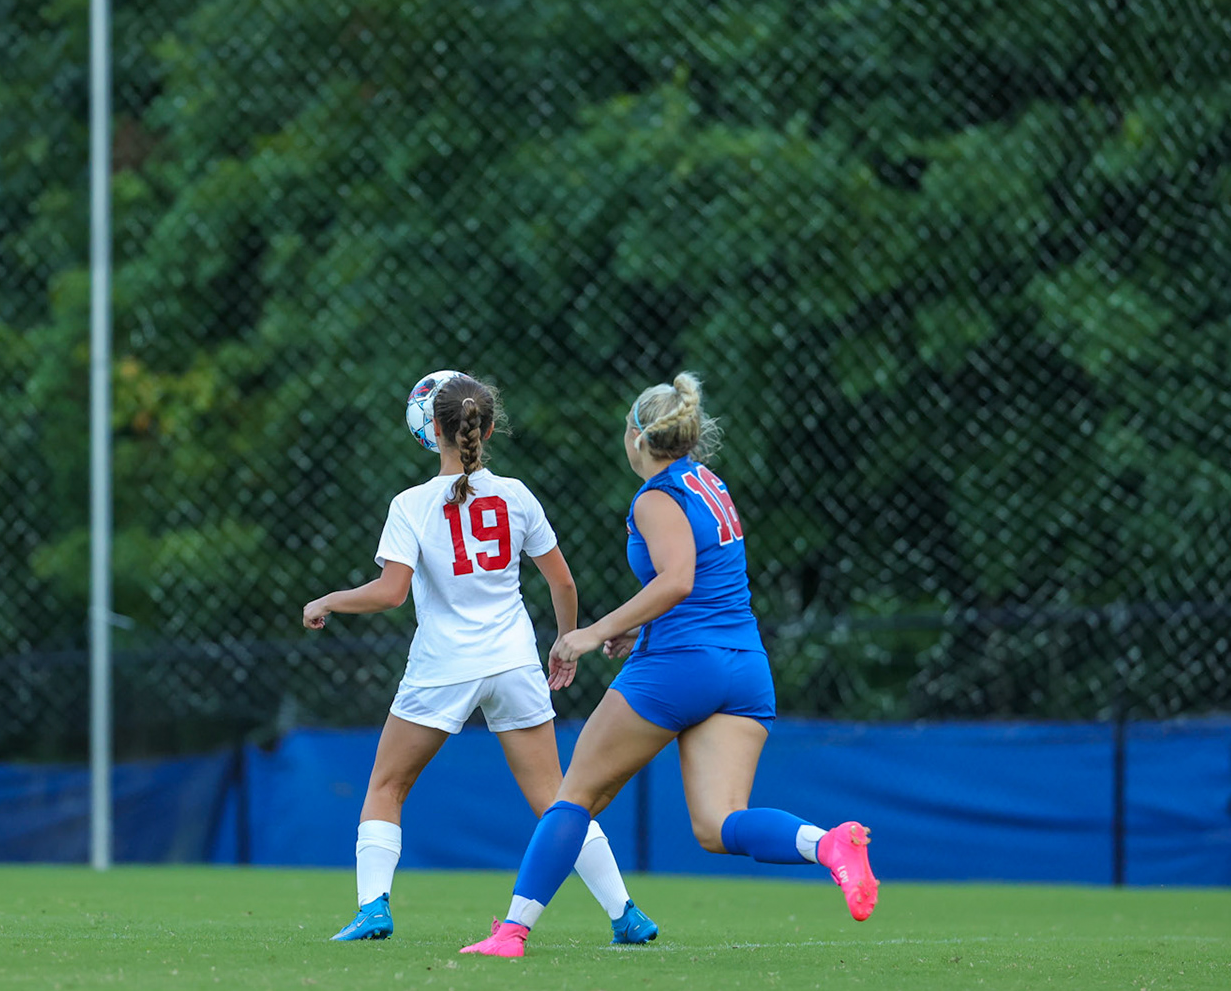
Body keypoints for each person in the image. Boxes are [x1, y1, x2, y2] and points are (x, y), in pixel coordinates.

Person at [461, 373, 877, 959]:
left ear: (637, 437)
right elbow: (706, 582)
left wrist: (595, 631)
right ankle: (829, 844)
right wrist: (638, 626)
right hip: (743, 668)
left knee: (573, 796)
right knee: (718, 825)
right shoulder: (709, 482)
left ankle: (510, 934)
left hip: (681, 667)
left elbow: (679, 581)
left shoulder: (656, 496)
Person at [303, 372, 658, 945]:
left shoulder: (411, 504)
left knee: (387, 785)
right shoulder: (516, 495)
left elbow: (391, 592)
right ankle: (625, 914)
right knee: (558, 798)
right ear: (487, 428)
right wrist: (565, 642)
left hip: (444, 666)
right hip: (514, 661)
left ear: (430, 432)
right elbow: (562, 584)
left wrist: (328, 600)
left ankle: (374, 907)